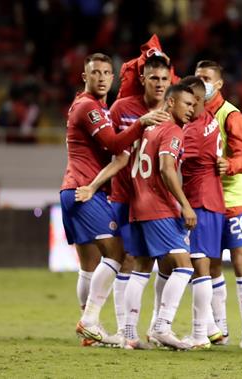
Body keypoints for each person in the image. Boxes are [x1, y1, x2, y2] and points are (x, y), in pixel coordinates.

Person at [61, 53, 168, 345]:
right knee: (118, 254)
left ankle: (90, 328)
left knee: (90, 264)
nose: (102, 78)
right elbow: (113, 143)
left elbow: (115, 152)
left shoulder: (95, 107)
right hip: (84, 191)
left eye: (107, 72)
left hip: (76, 189)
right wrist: (141, 123)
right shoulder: (89, 108)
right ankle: (89, 321)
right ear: (85, 77)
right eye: (96, 73)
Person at [125, 84, 197, 349]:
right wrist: (185, 205)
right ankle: (162, 327)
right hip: (158, 206)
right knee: (184, 266)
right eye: (187, 104)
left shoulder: (149, 128)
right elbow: (167, 170)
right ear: (170, 103)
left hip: (138, 205)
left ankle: (129, 334)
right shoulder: (172, 130)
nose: (191, 109)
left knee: (142, 268)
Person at [195, 60, 242, 348]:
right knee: (212, 265)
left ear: (219, 84)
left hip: (234, 198)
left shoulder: (231, 115)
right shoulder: (192, 113)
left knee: (240, 259)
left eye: (206, 78)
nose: (201, 82)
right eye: (198, 77)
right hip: (207, 199)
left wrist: (227, 165)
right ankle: (220, 329)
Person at [177, 75, 226, 349]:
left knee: (198, 268)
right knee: (201, 267)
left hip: (199, 202)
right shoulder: (209, 120)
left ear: (196, 100)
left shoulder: (192, 132)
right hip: (214, 201)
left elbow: (172, 161)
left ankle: (199, 335)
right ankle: (211, 328)